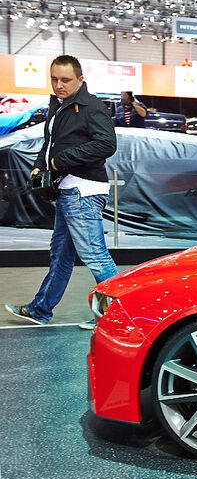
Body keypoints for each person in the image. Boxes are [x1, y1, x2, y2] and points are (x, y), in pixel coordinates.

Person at [5, 55, 119, 328]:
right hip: (68, 191)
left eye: (65, 80)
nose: (59, 85)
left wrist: (60, 161)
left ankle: (117, 316)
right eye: (54, 79)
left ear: (80, 79)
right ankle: (40, 310)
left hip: (84, 191)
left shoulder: (92, 107)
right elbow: (50, 143)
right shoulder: (59, 106)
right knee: (62, 255)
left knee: (95, 255)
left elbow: (106, 144)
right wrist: (38, 166)